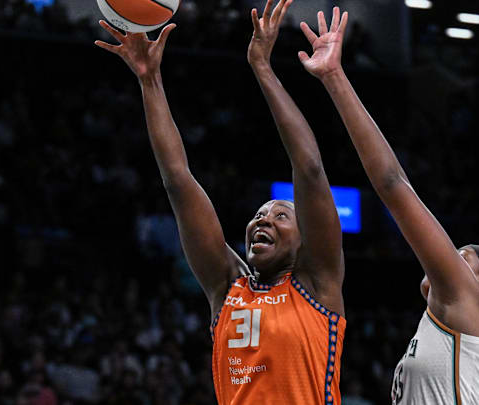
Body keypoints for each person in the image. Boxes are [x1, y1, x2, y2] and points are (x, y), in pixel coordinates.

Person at [296, 7, 479, 405]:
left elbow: (391, 183)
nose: (446, 256)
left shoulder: (466, 303)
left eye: (460, 256)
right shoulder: (450, 320)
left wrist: (334, 77)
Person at [94, 0, 346, 403]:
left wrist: (262, 68)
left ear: (305, 242)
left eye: (281, 215)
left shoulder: (318, 283)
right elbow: (178, 181)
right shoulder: (228, 288)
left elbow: (310, 169)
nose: (263, 219)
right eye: (259, 214)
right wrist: (149, 81)